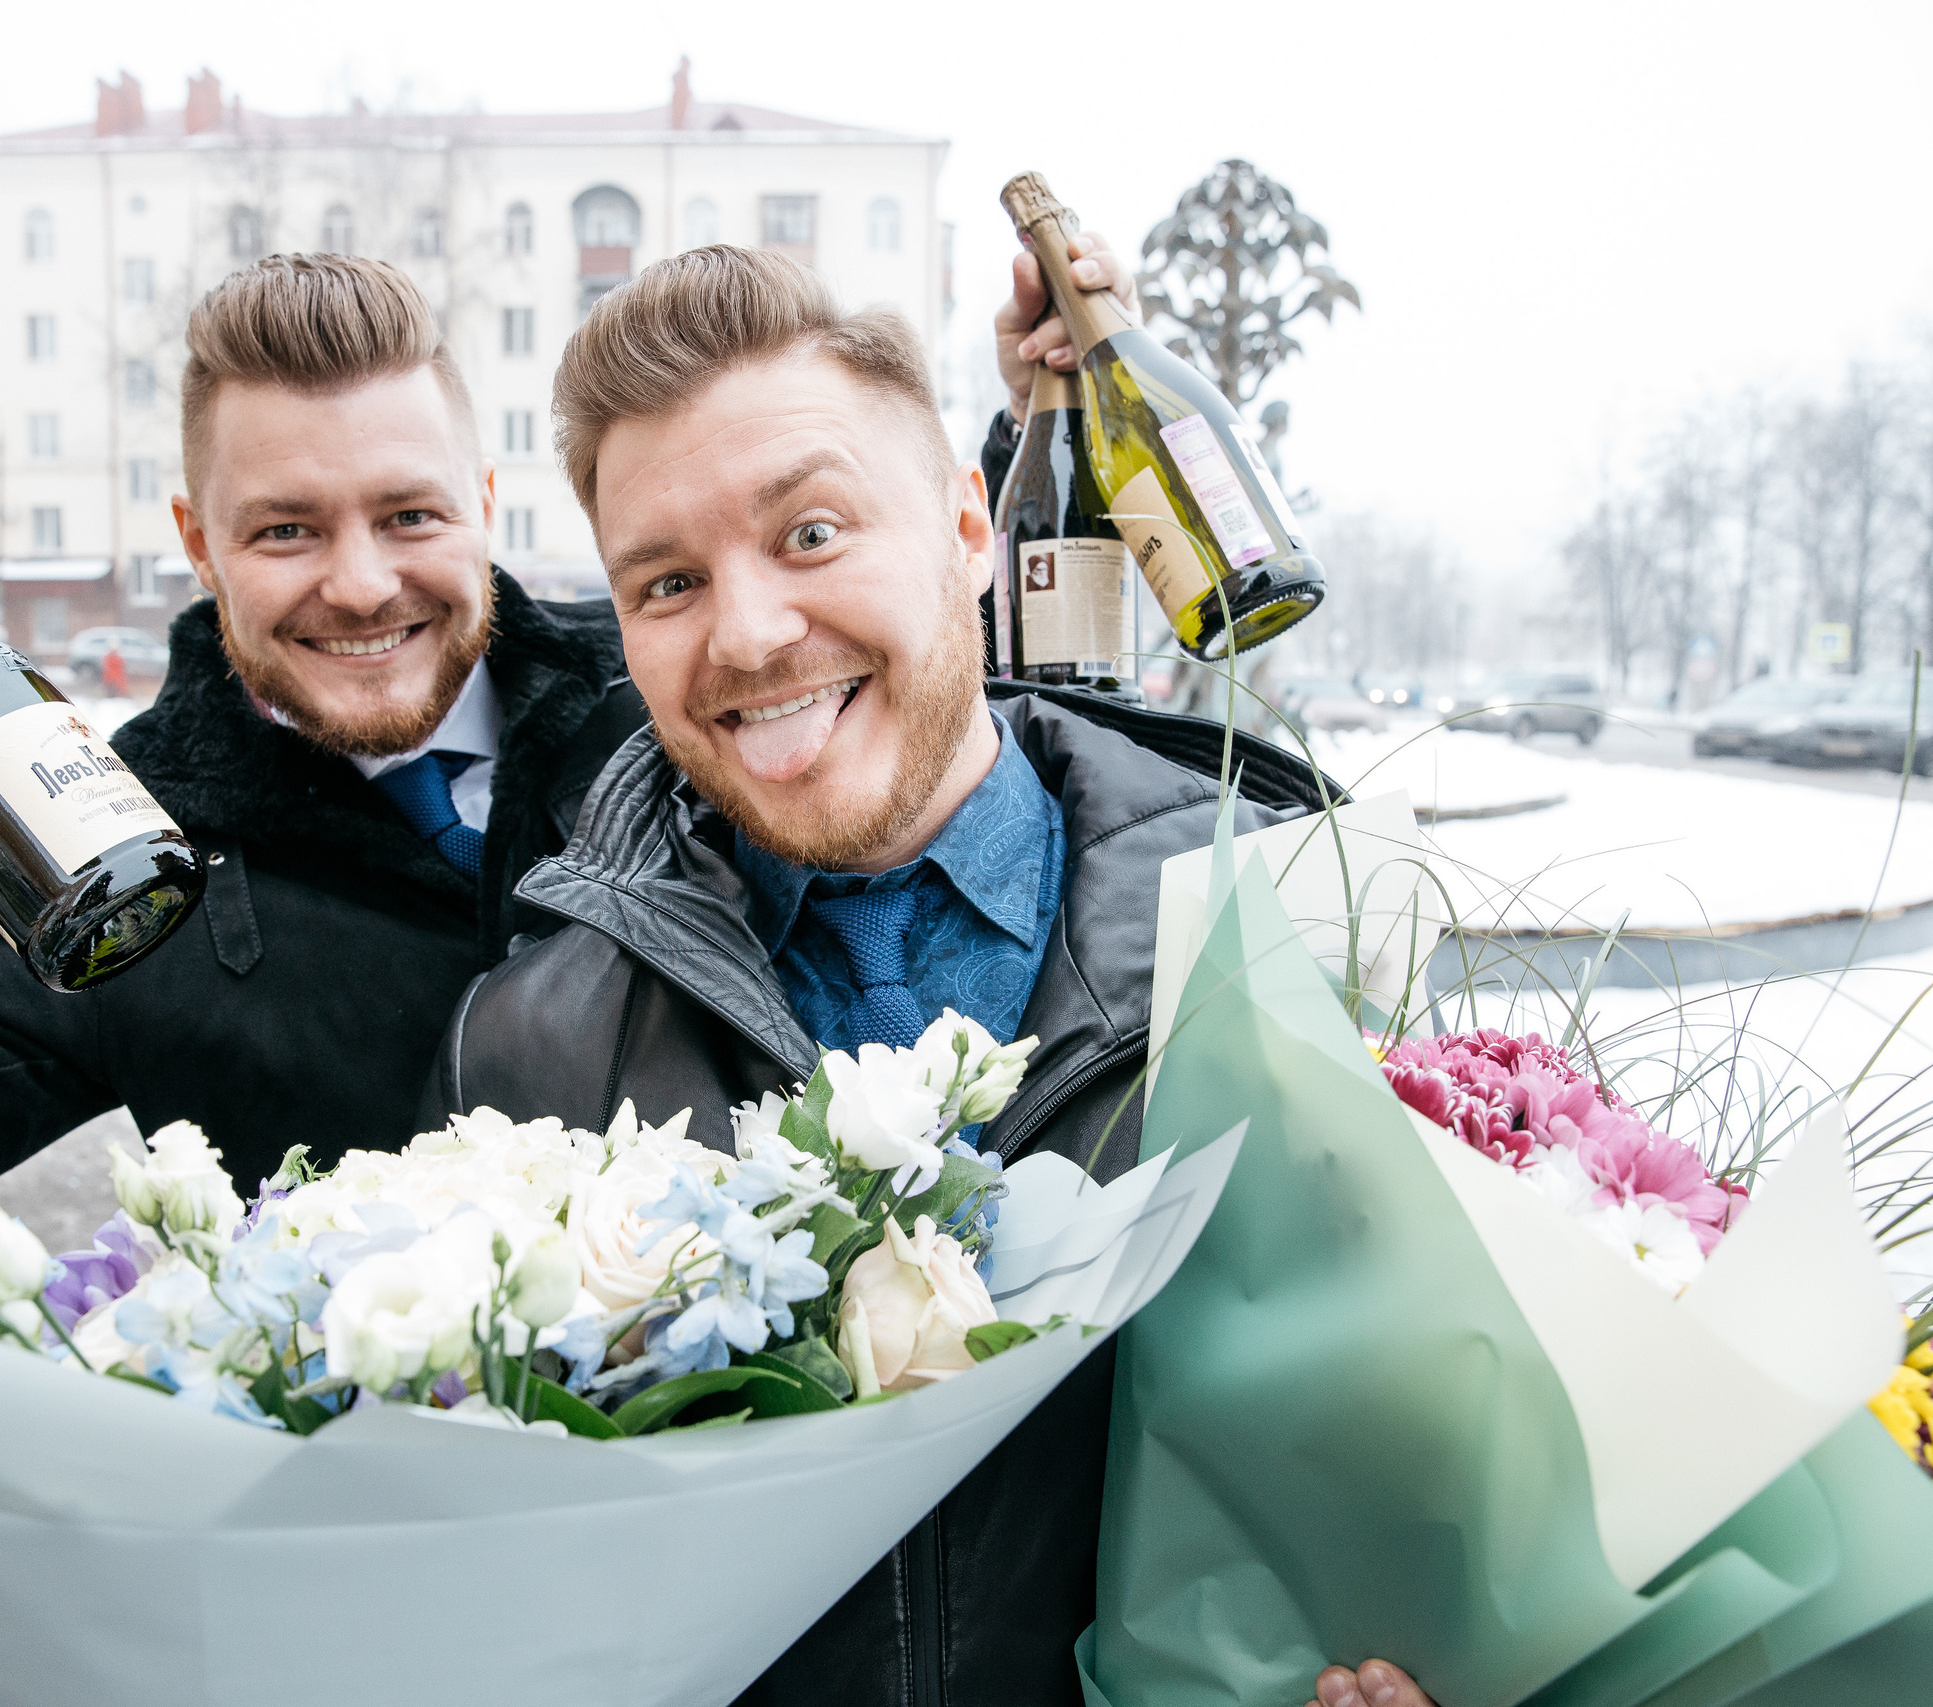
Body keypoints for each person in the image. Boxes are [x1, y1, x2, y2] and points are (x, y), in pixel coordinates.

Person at [430, 247, 1435, 1707]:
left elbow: (1433, 1447)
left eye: (815, 530)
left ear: (971, 523)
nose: (750, 629)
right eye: (667, 579)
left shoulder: (1285, 927)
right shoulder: (525, 1054)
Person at [0, 255, 647, 1209]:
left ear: (480, 503)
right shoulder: (118, 838)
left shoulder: (659, 707)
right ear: (198, 545)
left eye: (409, 515)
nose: (359, 585)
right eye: (284, 531)